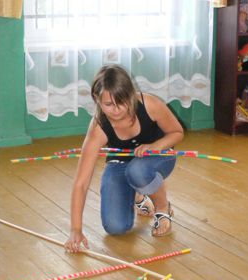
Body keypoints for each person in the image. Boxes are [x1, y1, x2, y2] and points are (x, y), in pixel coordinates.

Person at [64, 64, 184, 253]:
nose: (116, 110)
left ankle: (162, 207)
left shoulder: (149, 105)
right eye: (108, 104)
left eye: (121, 102)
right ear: (97, 100)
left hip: (159, 157)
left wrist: (154, 147)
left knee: (138, 171)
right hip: (120, 164)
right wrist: (75, 230)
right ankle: (139, 194)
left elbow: (177, 133)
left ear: (131, 94)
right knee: (115, 227)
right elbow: (81, 182)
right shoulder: (98, 127)